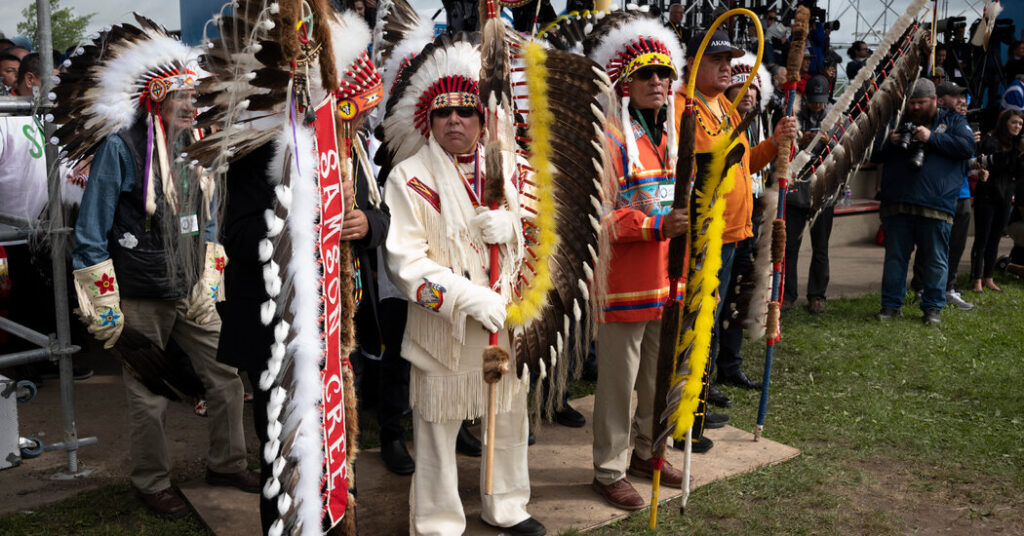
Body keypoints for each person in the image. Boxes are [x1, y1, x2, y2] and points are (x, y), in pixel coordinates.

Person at [57, 19, 258, 519]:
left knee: (228, 376)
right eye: (181, 97)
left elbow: (209, 219)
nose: (192, 105)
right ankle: (151, 481)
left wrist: (210, 275)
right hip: (139, 291)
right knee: (149, 395)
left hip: (190, 287)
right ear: (154, 100)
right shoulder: (121, 148)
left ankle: (227, 462)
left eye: (195, 96)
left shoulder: (200, 145)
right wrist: (103, 305)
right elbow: (90, 231)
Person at [216, 11, 391, 532]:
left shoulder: (351, 151)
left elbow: (378, 213)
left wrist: (369, 223)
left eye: (360, 115)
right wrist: (300, 230)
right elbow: (239, 235)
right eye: (349, 114)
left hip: (340, 324)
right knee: (285, 445)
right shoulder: (262, 150)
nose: (357, 124)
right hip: (280, 331)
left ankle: (336, 520)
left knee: (337, 434)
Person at [381, 37, 545, 536]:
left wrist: (513, 226)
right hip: (443, 332)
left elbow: (541, 235)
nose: (455, 120)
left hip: (505, 322)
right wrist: (464, 296)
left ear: (482, 119)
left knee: (509, 417)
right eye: (443, 112)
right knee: (435, 429)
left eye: (466, 111)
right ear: (428, 121)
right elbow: (402, 264)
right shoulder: (408, 178)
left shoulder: (510, 169)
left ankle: (508, 505)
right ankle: (436, 520)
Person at [586, 19, 691, 512]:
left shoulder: (672, 138)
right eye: (647, 74)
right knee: (617, 383)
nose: (657, 82)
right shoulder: (611, 140)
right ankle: (608, 468)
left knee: (657, 376)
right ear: (625, 84)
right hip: (624, 284)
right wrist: (653, 227)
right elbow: (598, 218)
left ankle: (648, 452)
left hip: (666, 282)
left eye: (664, 75)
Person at [675, 29, 797, 445]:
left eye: (731, 59)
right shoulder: (683, 108)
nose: (728, 67)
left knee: (708, 323)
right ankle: (682, 414)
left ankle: (699, 402)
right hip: (702, 235)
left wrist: (774, 142)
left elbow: (745, 162)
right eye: (717, 59)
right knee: (693, 323)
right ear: (693, 64)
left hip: (732, 233)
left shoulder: (724, 106)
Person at [871, 79, 975, 324]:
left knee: (936, 260)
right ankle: (890, 306)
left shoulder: (953, 121)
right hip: (898, 203)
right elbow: (873, 153)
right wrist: (890, 141)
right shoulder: (896, 121)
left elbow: (967, 147)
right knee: (895, 259)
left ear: (935, 100)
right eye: (912, 103)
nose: (915, 107)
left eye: (921, 103)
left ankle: (932, 308)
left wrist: (932, 138)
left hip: (936, 205)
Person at [712, 52, 772, 409]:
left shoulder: (753, 122)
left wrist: (776, 142)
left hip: (748, 220)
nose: (747, 93)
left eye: (752, 87)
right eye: (740, 85)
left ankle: (729, 365)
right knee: (715, 302)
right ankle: (703, 376)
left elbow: (751, 164)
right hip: (722, 225)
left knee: (740, 295)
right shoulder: (720, 120)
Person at [910, 82, 976, 311]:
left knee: (955, 245)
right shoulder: (931, 123)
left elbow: (965, 149)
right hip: (937, 195)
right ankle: (921, 287)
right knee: (930, 245)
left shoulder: (958, 122)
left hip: (961, 193)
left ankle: (948, 288)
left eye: (962, 97)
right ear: (940, 99)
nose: (960, 101)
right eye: (955, 97)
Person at [784, 75, 835, 314]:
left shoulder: (839, 116)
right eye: (813, 101)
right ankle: (787, 294)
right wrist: (801, 143)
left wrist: (829, 145)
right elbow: (782, 150)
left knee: (821, 247)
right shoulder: (792, 115)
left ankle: (817, 295)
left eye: (821, 101)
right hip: (796, 191)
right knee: (790, 247)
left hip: (823, 190)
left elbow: (848, 150)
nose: (817, 105)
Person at [970, 109, 1024, 293]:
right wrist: (1018, 151)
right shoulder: (993, 142)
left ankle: (989, 277)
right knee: (982, 239)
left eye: (1020, 124)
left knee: (995, 240)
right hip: (987, 196)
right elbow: (1000, 163)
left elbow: (1017, 172)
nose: (1017, 127)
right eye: (1014, 122)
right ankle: (976, 278)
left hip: (1006, 197)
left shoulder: (1017, 146)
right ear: (1005, 123)